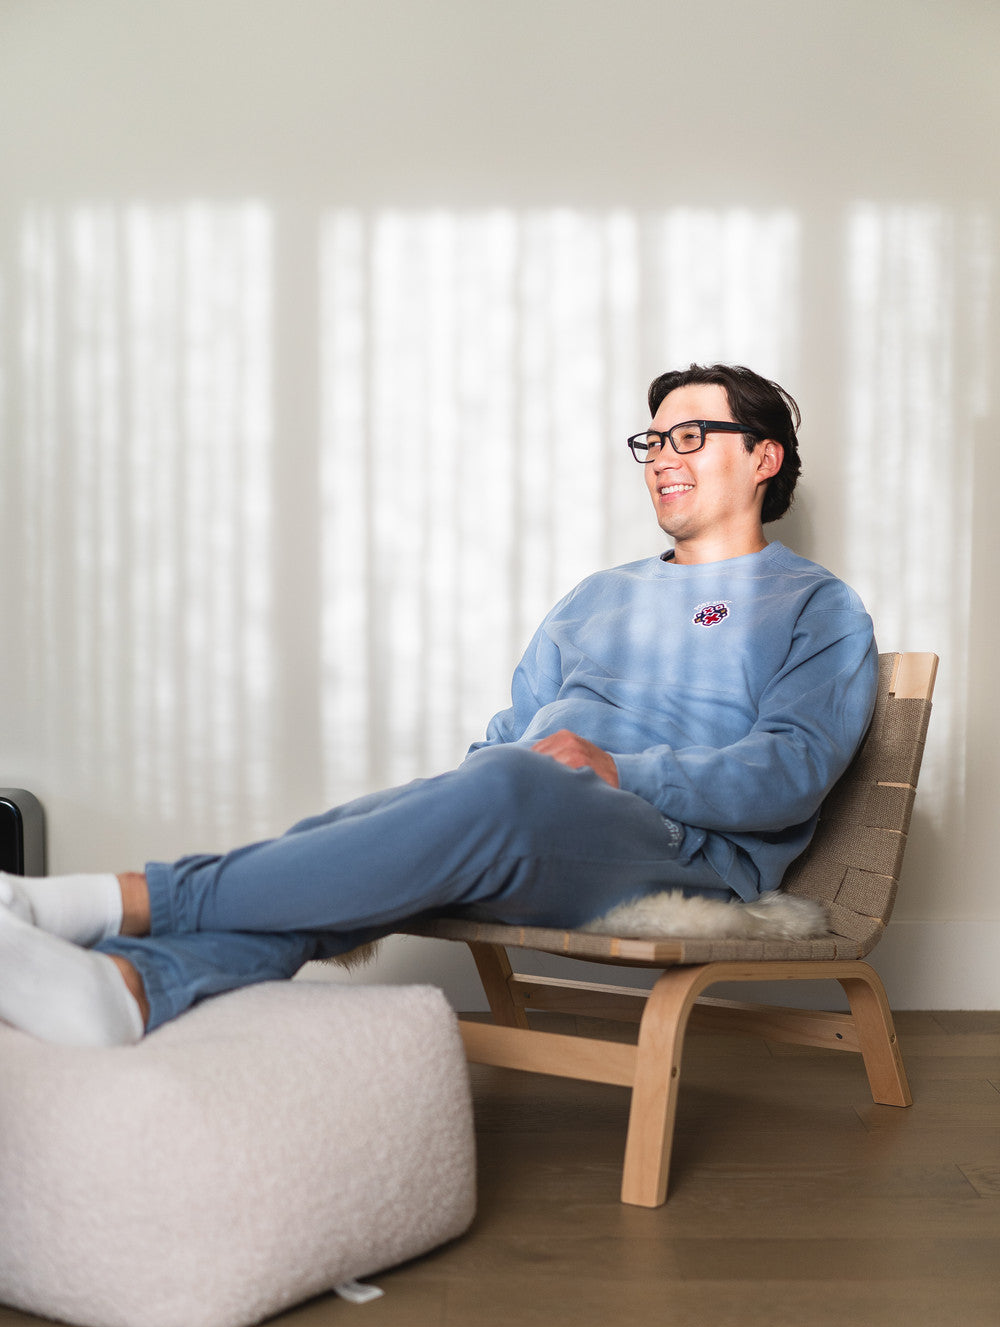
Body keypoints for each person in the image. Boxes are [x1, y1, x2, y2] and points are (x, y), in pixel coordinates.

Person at [0, 363, 878, 1047]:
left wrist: (615, 768)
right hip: (529, 810)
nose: (661, 459)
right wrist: (461, 802)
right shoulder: (594, 596)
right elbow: (510, 731)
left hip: (676, 848)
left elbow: (793, 771)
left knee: (499, 789)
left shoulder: (813, 605)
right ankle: (129, 991)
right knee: (433, 801)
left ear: (762, 458)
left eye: (689, 435)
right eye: (650, 443)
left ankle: (111, 902)